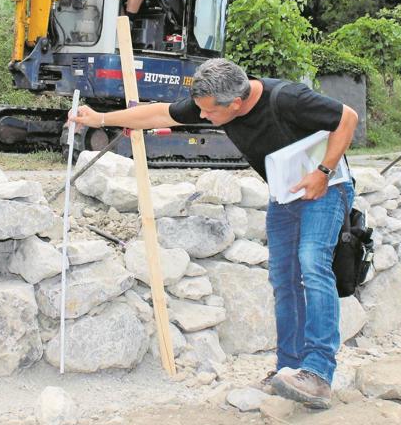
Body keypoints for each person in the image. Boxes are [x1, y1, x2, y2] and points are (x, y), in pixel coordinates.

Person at [70, 58, 357, 409]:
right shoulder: (214, 98)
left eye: (208, 113)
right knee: (284, 278)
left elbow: (347, 118)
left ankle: (318, 373)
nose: (202, 117)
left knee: (312, 264)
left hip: (325, 189)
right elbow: (158, 114)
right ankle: (289, 368)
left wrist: (324, 171)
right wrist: (99, 118)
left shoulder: (288, 98)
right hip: (285, 195)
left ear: (235, 104)